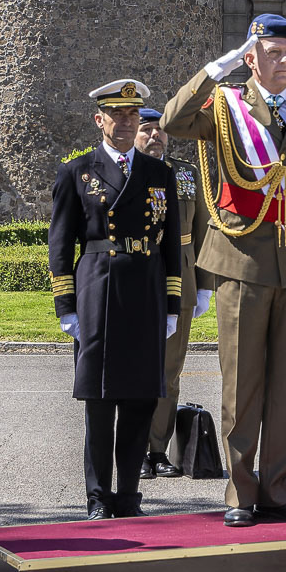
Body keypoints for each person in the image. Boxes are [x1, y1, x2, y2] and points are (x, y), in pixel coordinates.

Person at [163, 13, 286, 527]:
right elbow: (174, 121)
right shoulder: (224, 106)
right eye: (273, 52)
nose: (284, 61)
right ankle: (240, 492)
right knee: (241, 383)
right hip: (241, 260)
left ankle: (278, 488)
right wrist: (214, 71)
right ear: (251, 57)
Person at [49, 80, 182, 518]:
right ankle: (98, 497)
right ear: (99, 120)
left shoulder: (159, 173)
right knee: (100, 403)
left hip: (145, 290)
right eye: (117, 115)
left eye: (133, 115)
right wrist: (66, 306)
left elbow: (171, 247)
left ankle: (129, 496)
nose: (126, 123)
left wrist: (173, 304)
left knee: (142, 400)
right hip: (98, 289)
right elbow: (60, 245)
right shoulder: (77, 172)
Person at [136, 106, 210, 480]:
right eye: (147, 129)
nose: (155, 136)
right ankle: (132, 448)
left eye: (161, 130)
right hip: (134, 280)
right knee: (134, 369)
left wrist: (205, 286)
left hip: (179, 281)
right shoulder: (122, 170)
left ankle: (157, 450)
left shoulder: (185, 173)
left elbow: (202, 231)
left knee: (169, 370)